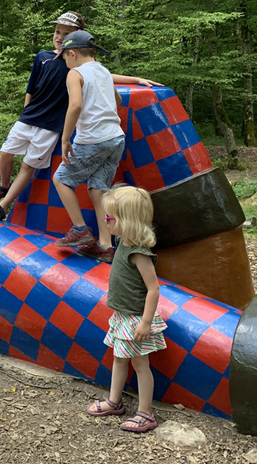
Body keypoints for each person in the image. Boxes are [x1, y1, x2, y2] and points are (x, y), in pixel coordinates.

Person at [0, 11, 160, 222]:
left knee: (29, 166)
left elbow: (104, 75)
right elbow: (31, 88)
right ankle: (3, 185)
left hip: (51, 125)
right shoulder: (43, 57)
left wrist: (136, 79)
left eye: (66, 34)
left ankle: (2, 207)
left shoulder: (75, 64)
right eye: (57, 32)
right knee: (6, 152)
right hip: (29, 118)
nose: (59, 37)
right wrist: (25, 112)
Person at [85, 185, 166, 433]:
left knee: (141, 364)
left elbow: (153, 289)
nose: (105, 221)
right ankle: (114, 401)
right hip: (122, 316)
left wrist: (145, 322)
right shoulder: (122, 241)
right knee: (119, 359)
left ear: (127, 222)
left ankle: (146, 413)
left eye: (109, 218)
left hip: (135, 318)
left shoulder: (139, 253)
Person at [51, 30, 125, 263]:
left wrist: (65, 139)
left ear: (72, 53)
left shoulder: (75, 73)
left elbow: (75, 107)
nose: (65, 62)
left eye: (64, 58)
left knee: (61, 179)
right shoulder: (103, 71)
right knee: (97, 189)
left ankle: (80, 228)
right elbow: (118, 101)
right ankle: (105, 246)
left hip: (93, 139)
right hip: (116, 138)